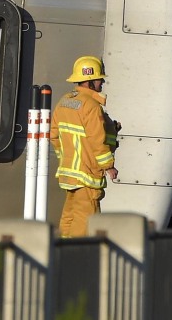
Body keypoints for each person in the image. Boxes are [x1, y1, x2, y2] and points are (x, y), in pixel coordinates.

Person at [50, 56, 120, 238]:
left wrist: (66, 158)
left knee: (70, 217)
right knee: (87, 221)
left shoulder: (64, 101)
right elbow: (98, 140)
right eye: (99, 79)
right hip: (87, 174)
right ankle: (78, 253)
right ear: (89, 81)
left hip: (70, 174)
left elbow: (54, 136)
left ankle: (64, 250)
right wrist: (108, 166)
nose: (102, 82)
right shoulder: (91, 106)